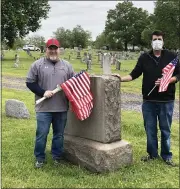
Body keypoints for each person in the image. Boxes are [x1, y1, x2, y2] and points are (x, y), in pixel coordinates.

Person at [114, 30, 180, 166]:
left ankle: (167, 155)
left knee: (165, 129)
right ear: (151, 42)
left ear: (163, 41)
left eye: (159, 39)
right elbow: (134, 74)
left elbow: (178, 75)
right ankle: (152, 154)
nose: (157, 41)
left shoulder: (172, 57)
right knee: (150, 129)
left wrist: (168, 81)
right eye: (155, 39)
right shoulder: (144, 57)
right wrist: (120, 78)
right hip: (148, 100)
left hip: (166, 100)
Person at [26, 38, 74, 168]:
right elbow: (30, 82)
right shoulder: (37, 65)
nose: (53, 51)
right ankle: (40, 158)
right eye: (50, 48)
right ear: (46, 50)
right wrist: (43, 92)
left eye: (55, 48)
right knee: (42, 134)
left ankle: (57, 157)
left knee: (59, 135)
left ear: (59, 50)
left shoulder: (67, 66)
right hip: (44, 108)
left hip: (61, 107)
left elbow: (72, 84)